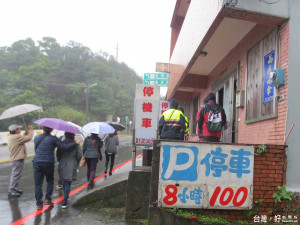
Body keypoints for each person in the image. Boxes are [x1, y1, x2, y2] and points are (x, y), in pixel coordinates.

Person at [33, 126, 79, 210]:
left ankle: (39, 204)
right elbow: (64, 147)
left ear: (43, 129)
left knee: (38, 184)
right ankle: (48, 199)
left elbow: (36, 149)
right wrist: (75, 143)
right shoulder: (53, 138)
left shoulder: (36, 137)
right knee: (50, 181)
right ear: (51, 129)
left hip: (37, 162)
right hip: (48, 162)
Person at [7, 124, 34, 198]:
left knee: (17, 174)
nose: (20, 129)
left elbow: (23, 138)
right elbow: (28, 138)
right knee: (16, 174)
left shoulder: (14, 136)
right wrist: (31, 131)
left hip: (17, 158)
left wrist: (26, 133)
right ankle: (12, 190)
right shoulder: (16, 137)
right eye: (18, 128)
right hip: (17, 158)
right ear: (15, 130)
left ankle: (14, 189)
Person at [57, 132, 82, 208]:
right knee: (68, 182)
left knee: (64, 180)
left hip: (62, 163)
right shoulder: (75, 144)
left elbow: (57, 154)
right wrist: (76, 161)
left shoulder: (61, 143)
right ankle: (65, 201)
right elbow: (79, 155)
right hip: (72, 164)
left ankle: (65, 197)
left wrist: (60, 160)